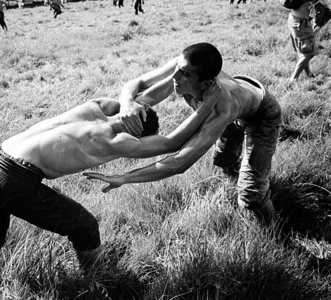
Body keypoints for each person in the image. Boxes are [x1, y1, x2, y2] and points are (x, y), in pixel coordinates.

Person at [0, 95, 219, 300]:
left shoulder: (96, 107)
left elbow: (144, 89)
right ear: (140, 135)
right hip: (16, 179)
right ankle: (95, 283)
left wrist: (166, 81)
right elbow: (172, 142)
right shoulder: (117, 142)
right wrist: (210, 107)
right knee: (85, 226)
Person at [84, 43, 282, 226]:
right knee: (223, 160)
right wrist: (127, 102)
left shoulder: (222, 108)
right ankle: (236, 174)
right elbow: (139, 85)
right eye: (177, 68)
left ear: (205, 85)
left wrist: (125, 178)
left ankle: (273, 232)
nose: (174, 76)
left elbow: (181, 161)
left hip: (261, 115)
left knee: (250, 196)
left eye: (184, 74)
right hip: (238, 97)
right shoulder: (184, 67)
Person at [288, 0, 330, 83]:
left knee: (304, 51)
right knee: (309, 53)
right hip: (301, 23)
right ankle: (294, 78)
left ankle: (308, 74)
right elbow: (324, 4)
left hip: (293, 19)